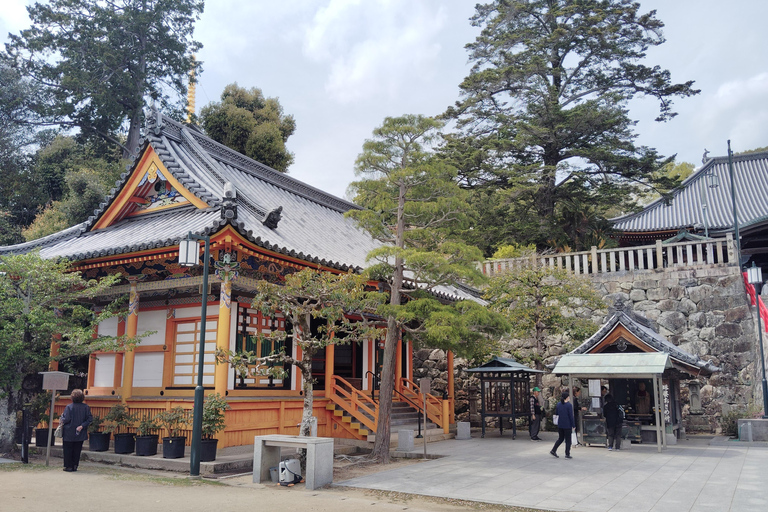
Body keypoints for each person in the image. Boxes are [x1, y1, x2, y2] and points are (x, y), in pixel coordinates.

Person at [59, 389, 92, 472]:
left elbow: (66, 419)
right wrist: (82, 425)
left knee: (68, 449)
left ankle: (68, 466)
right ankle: (75, 465)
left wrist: (61, 418)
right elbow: (89, 418)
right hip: (80, 431)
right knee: (77, 449)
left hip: (69, 431)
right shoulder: (86, 407)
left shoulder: (69, 407)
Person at [550, 391, 575, 459]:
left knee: (560, 438)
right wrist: (573, 425)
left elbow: (557, 413)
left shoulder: (558, 404)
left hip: (560, 424)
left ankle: (553, 450)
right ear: (567, 397)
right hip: (567, 425)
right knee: (568, 440)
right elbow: (571, 416)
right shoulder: (569, 405)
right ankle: (567, 454)